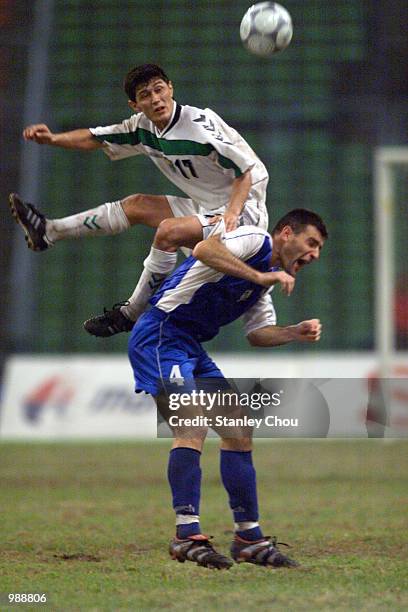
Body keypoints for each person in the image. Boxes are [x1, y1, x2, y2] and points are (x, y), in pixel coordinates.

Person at [127, 208, 327, 569]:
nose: (313, 255)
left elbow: (257, 335)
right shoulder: (254, 240)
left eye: (318, 250)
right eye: (311, 243)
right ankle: (185, 534)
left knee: (238, 429)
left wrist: (293, 331)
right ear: (286, 233)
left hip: (190, 345)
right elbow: (204, 250)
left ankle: (248, 538)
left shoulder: (260, 284)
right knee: (191, 424)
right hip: (159, 335)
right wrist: (259, 276)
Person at [9, 63, 269, 336]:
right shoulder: (142, 128)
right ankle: (48, 231)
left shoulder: (198, 128)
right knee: (137, 205)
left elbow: (245, 171)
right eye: (146, 95)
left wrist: (232, 213)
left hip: (243, 210)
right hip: (209, 204)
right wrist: (52, 139)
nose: (156, 99)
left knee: (169, 231)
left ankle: (130, 313)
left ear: (171, 88)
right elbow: (94, 137)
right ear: (135, 105)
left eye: (159, 89)